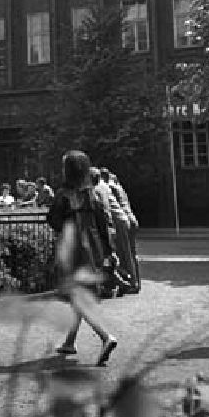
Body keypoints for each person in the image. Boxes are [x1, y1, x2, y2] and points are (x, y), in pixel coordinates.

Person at [45, 150, 119, 366]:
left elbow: (53, 220)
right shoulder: (93, 194)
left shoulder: (63, 195)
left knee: (77, 296)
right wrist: (109, 250)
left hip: (73, 249)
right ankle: (69, 341)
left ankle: (106, 337)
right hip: (92, 249)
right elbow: (104, 224)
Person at [104, 169, 141, 293]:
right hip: (131, 218)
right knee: (132, 254)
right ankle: (136, 283)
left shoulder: (110, 186)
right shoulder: (120, 187)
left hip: (122, 220)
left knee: (125, 255)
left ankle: (131, 283)